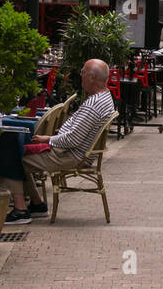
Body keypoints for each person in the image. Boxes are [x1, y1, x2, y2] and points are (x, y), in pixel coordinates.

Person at [6, 59, 116, 224]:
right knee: (17, 150)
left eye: (83, 72)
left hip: (70, 155)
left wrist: (48, 139)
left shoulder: (93, 104)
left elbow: (73, 139)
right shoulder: (104, 97)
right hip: (76, 152)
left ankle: (21, 210)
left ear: (92, 77)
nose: (81, 75)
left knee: (12, 157)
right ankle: (37, 204)